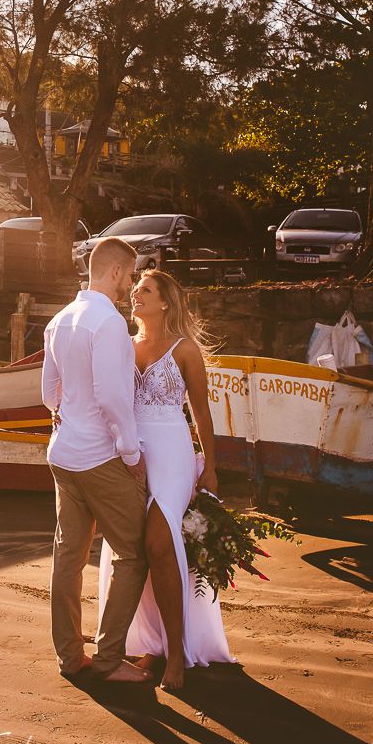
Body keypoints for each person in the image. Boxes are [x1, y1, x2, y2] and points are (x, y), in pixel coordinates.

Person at [98, 269, 235, 690]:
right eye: (135, 289)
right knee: (133, 548)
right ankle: (151, 642)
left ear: (164, 302)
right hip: (129, 456)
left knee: (160, 544)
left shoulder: (185, 349)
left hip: (172, 453)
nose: (135, 295)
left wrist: (210, 467)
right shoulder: (122, 346)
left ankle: (176, 654)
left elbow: (202, 413)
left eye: (145, 290)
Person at [43, 237, 152, 684]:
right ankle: (108, 661)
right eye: (130, 274)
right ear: (115, 272)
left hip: (63, 454)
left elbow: (48, 392)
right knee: (133, 553)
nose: (130, 284)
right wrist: (131, 453)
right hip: (98, 458)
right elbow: (111, 397)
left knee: (68, 558)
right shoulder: (107, 322)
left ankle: (71, 657)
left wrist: (65, 417)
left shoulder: (60, 319)